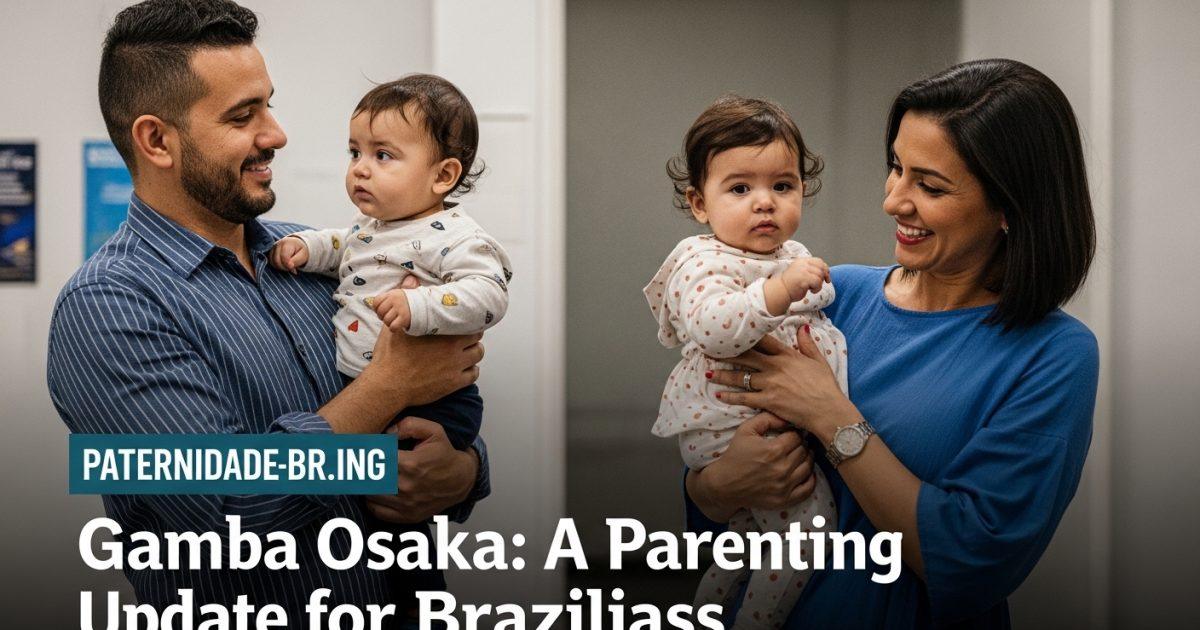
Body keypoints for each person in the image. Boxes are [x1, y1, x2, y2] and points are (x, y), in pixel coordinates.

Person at [46, 0, 488, 622]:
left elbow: (429, 417)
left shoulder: (314, 256)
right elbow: (229, 510)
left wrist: (463, 470)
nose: (275, 133)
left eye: (269, 104)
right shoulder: (109, 305)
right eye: (242, 115)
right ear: (156, 140)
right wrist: (388, 386)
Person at [685, 59, 1099, 628]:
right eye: (896, 168)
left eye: (928, 185)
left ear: (1009, 207)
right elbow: (721, 494)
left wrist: (831, 417)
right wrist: (714, 486)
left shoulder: (1053, 355)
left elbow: (974, 561)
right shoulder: (831, 294)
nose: (894, 200)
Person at [269, 73, 511, 596]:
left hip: (438, 405)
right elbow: (344, 246)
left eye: (383, 155)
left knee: (403, 524)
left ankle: (413, 602)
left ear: (443, 175)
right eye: (354, 151)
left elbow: (489, 295)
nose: (359, 168)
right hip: (375, 398)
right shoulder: (368, 228)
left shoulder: (457, 238)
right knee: (374, 519)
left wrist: (420, 304)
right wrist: (308, 248)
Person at [645, 95, 845, 628]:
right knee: (809, 528)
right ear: (699, 204)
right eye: (740, 188)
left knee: (748, 540)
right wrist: (776, 292)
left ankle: (705, 611)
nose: (765, 202)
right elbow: (714, 329)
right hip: (726, 423)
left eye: (783, 186)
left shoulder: (790, 256)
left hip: (760, 422)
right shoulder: (701, 260)